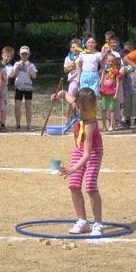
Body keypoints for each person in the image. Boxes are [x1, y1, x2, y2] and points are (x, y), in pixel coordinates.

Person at [50, 88, 104, 237]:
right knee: (73, 184)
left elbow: (87, 155)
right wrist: (56, 96)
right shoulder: (77, 104)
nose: (81, 111)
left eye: (85, 109)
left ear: (94, 105)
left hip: (93, 152)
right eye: (79, 107)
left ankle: (98, 224)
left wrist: (73, 168)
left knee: (91, 186)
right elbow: (63, 93)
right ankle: (82, 221)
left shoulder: (90, 124)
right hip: (78, 150)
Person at [11, 45, 38, 131]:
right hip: (19, 88)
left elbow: (34, 76)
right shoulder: (16, 64)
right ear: (20, 54)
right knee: (17, 106)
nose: (24, 55)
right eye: (23, 54)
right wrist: (18, 66)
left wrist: (29, 67)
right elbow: (13, 74)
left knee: (28, 107)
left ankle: (29, 124)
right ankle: (17, 123)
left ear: (29, 54)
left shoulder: (32, 65)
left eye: (26, 54)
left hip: (28, 88)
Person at [98, 52, 121, 131]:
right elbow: (100, 81)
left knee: (112, 109)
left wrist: (116, 93)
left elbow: (117, 83)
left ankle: (111, 125)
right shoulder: (103, 70)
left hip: (112, 92)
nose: (110, 63)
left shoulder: (116, 71)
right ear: (106, 61)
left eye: (112, 61)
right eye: (109, 61)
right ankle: (104, 126)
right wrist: (99, 91)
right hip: (104, 91)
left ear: (115, 62)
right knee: (104, 109)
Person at [64, 39, 82, 124]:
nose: (75, 49)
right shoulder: (68, 58)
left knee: (80, 100)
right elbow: (65, 70)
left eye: (77, 47)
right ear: (70, 49)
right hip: (72, 80)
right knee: (70, 100)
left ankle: (78, 116)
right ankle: (67, 117)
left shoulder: (82, 56)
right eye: (73, 47)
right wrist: (69, 66)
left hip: (81, 80)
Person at [0, 46, 15, 132]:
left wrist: (0, 70)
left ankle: (3, 124)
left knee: (2, 106)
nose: (6, 58)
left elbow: (6, 78)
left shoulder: (9, 67)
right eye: (5, 55)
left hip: (3, 87)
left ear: (11, 57)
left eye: (8, 56)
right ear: (2, 55)